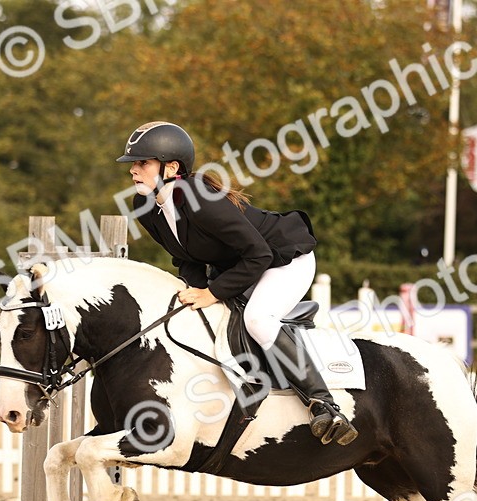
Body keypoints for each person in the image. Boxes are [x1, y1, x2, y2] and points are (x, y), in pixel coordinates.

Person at [117, 121, 358, 446]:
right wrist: (193, 294)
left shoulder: (201, 199)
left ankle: (325, 405)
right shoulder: (145, 205)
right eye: (134, 163)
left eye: (142, 162)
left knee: (257, 319)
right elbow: (185, 257)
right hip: (242, 264)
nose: (133, 170)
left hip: (283, 259)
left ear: (171, 167)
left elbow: (258, 254)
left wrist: (212, 292)